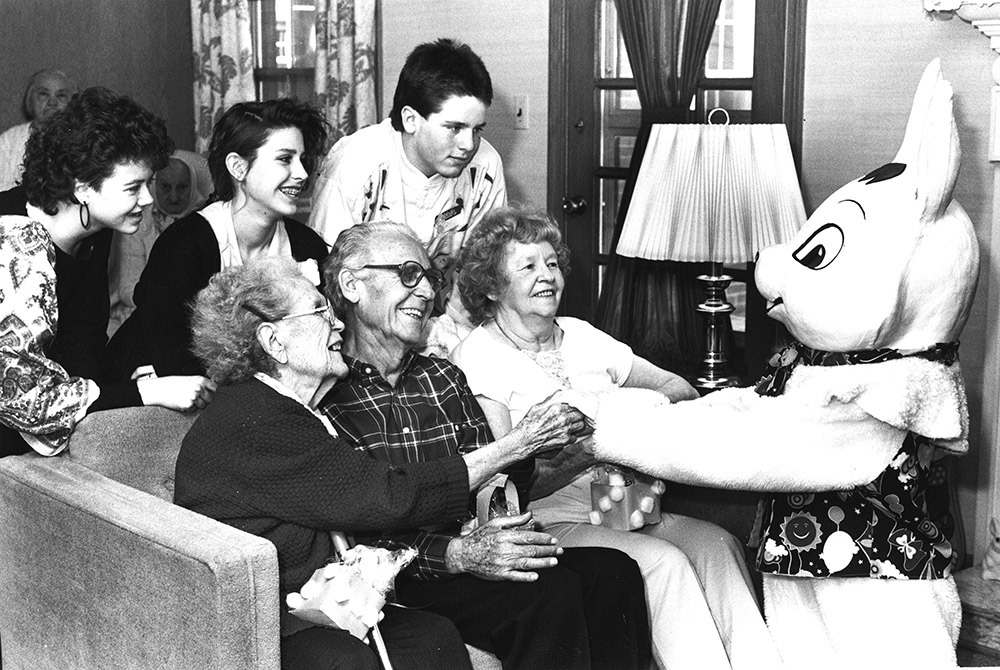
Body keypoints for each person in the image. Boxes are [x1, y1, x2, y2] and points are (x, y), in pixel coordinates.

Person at [450, 207, 784, 670]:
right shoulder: (478, 359)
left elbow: (677, 388)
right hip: (550, 517)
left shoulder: (584, 336)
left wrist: (624, 419)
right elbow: (507, 485)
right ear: (490, 286)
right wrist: (588, 448)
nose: (546, 276)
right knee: (665, 564)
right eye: (526, 266)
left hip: (625, 502)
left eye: (551, 263)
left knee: (718, 547)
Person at [319, 220, 652, 670]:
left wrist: (543, 456)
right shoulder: (332, 396)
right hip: (408, 573)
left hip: (472, 547)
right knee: (545, 596)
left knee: (615, 574)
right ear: (352, 285)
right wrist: (462, 554)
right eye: (408, 275)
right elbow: (363, 521)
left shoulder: (441, 377)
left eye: (431, 280)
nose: (425, 294)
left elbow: (500, 484)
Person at [175, 258, 480, 670]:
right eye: (320, 312)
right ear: (273, 341)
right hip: (261, 624)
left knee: (431, 636)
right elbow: (387, 497)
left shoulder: (283, 407)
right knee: (343, 662)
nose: (338, 324)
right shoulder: (255, 419)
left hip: (319, 607)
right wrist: (509, 448)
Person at [0, 87, 215, 458]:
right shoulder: (15, 241)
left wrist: (122, 385)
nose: (148, 200)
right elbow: (26, 400)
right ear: (82, 188)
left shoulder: (95, 228)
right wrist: (146, 393)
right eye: (134, 187)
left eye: (148, 183)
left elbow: (82, 349)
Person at [307, 38, 507, 355]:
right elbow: (326, 274)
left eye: (477, 129)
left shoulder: (485, 166)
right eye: (454, 128)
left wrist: (454, 341)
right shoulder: (357, 162)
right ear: (411, 119)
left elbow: (482, 269)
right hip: (360, 334)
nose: (469, 145)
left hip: (444, 325)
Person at [107, 98, 330, 380]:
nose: (301, 174)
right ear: (238, 168)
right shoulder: (184, 246)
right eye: (285, 159)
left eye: (302, 159)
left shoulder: (307, 246)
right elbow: (173, 360)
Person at [107, 150, 212, 337]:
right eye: (165, 187)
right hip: (149, 313)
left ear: (193, 185)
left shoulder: (207, 220)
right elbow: (127, 288)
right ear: (154, 186)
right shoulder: (138, 221)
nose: (173, 197)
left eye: (182, 187)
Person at [0, 68, 78, 191]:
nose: (52, 102)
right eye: (43, 94)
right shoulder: (9, 140)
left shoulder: (82, 139)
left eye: (61, 95)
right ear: (30, 100)